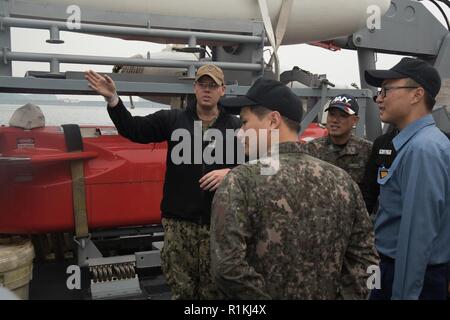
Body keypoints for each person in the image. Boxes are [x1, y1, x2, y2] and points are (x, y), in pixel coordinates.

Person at [210, 78, 378, 299]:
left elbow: (226, 269)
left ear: (273, 121)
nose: (240, 133)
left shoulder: (240, 181)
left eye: (244, 123)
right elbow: (367, 261)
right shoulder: (343, 182)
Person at [85, 64, 241, 299]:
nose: (207, 90)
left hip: (219, 226)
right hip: (179, 224)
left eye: (213, 85)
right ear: (194, 88)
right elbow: (133, 129)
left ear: (223, 90)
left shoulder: (236, 128)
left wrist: (232, 173)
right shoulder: (173, 119)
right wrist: (114, 100)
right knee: (182, 289)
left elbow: (263, 166)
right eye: (202, 84)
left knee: (216, 290)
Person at [364, 57, 450, 300]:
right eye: (379, 92)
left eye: (387, 90)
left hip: (410, 274)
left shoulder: (424, 150)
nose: (379, 98)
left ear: (417, 94)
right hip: (398, 268)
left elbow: (416, 239)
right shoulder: (415, 144)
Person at [302, 94, 372, 192]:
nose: (335, 120)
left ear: (355, 120)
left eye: (343, 116)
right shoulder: (311, 149)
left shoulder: (367, 150)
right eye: (332, 114)